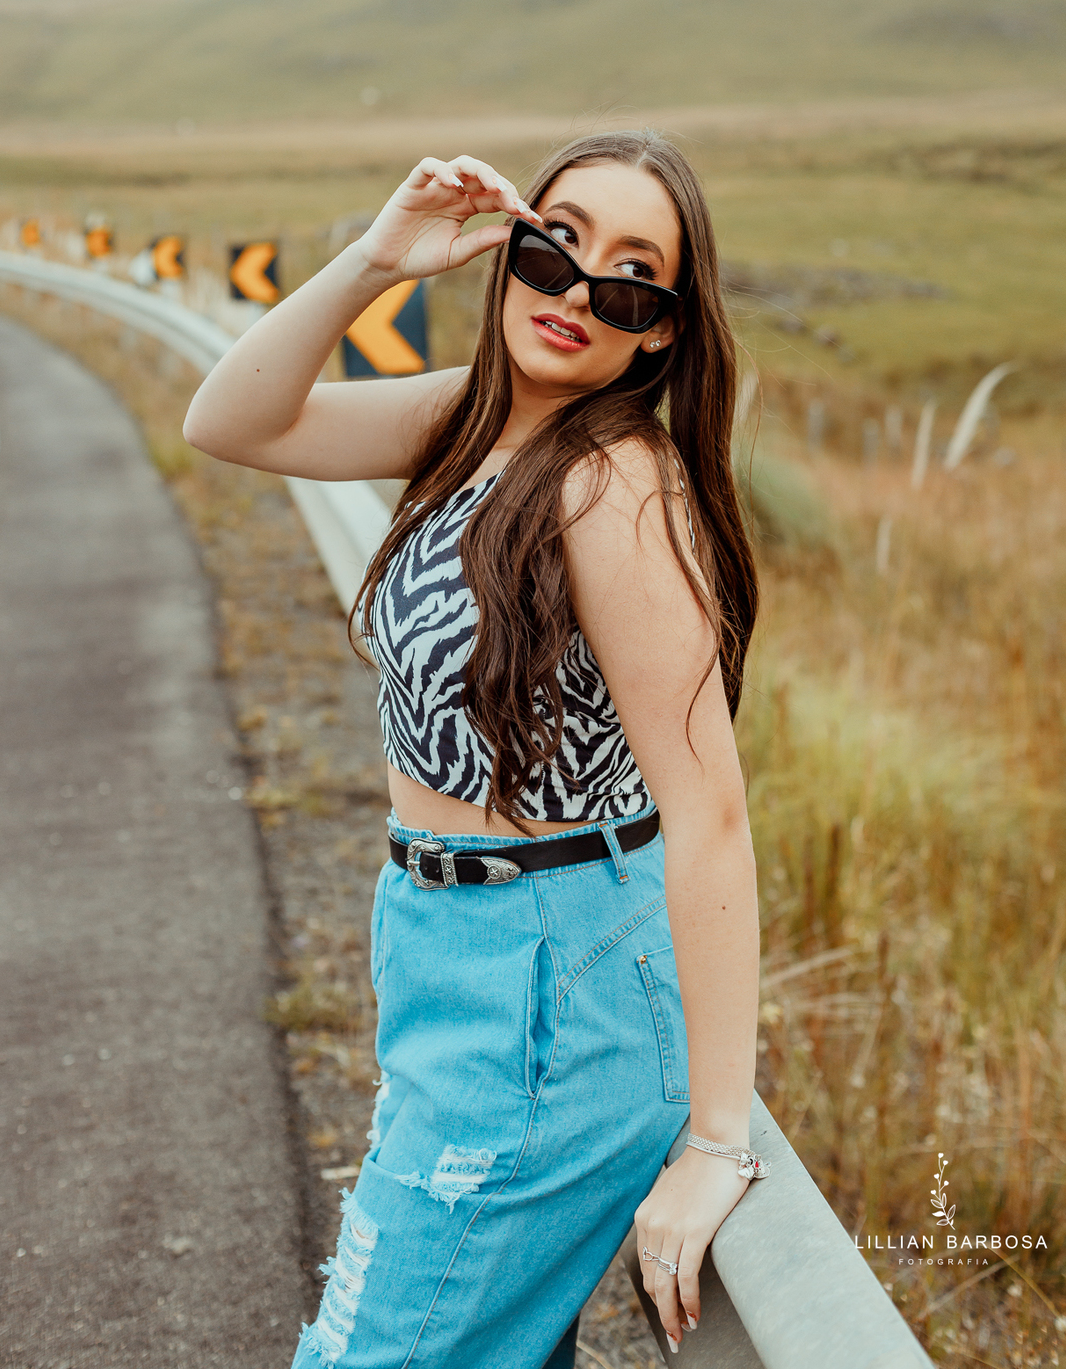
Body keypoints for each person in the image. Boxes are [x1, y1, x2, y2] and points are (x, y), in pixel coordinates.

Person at [183, 130, 764, 1368]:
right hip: (451, 952)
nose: (575, 292)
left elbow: (707, 810)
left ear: (658, 327)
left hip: (553, 988)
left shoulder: (612, 486)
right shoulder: (473, 418)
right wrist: (377, 262)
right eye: (556, 244)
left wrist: (718, 1140)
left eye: (628, 278)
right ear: (515, 243)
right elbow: (227, 422)